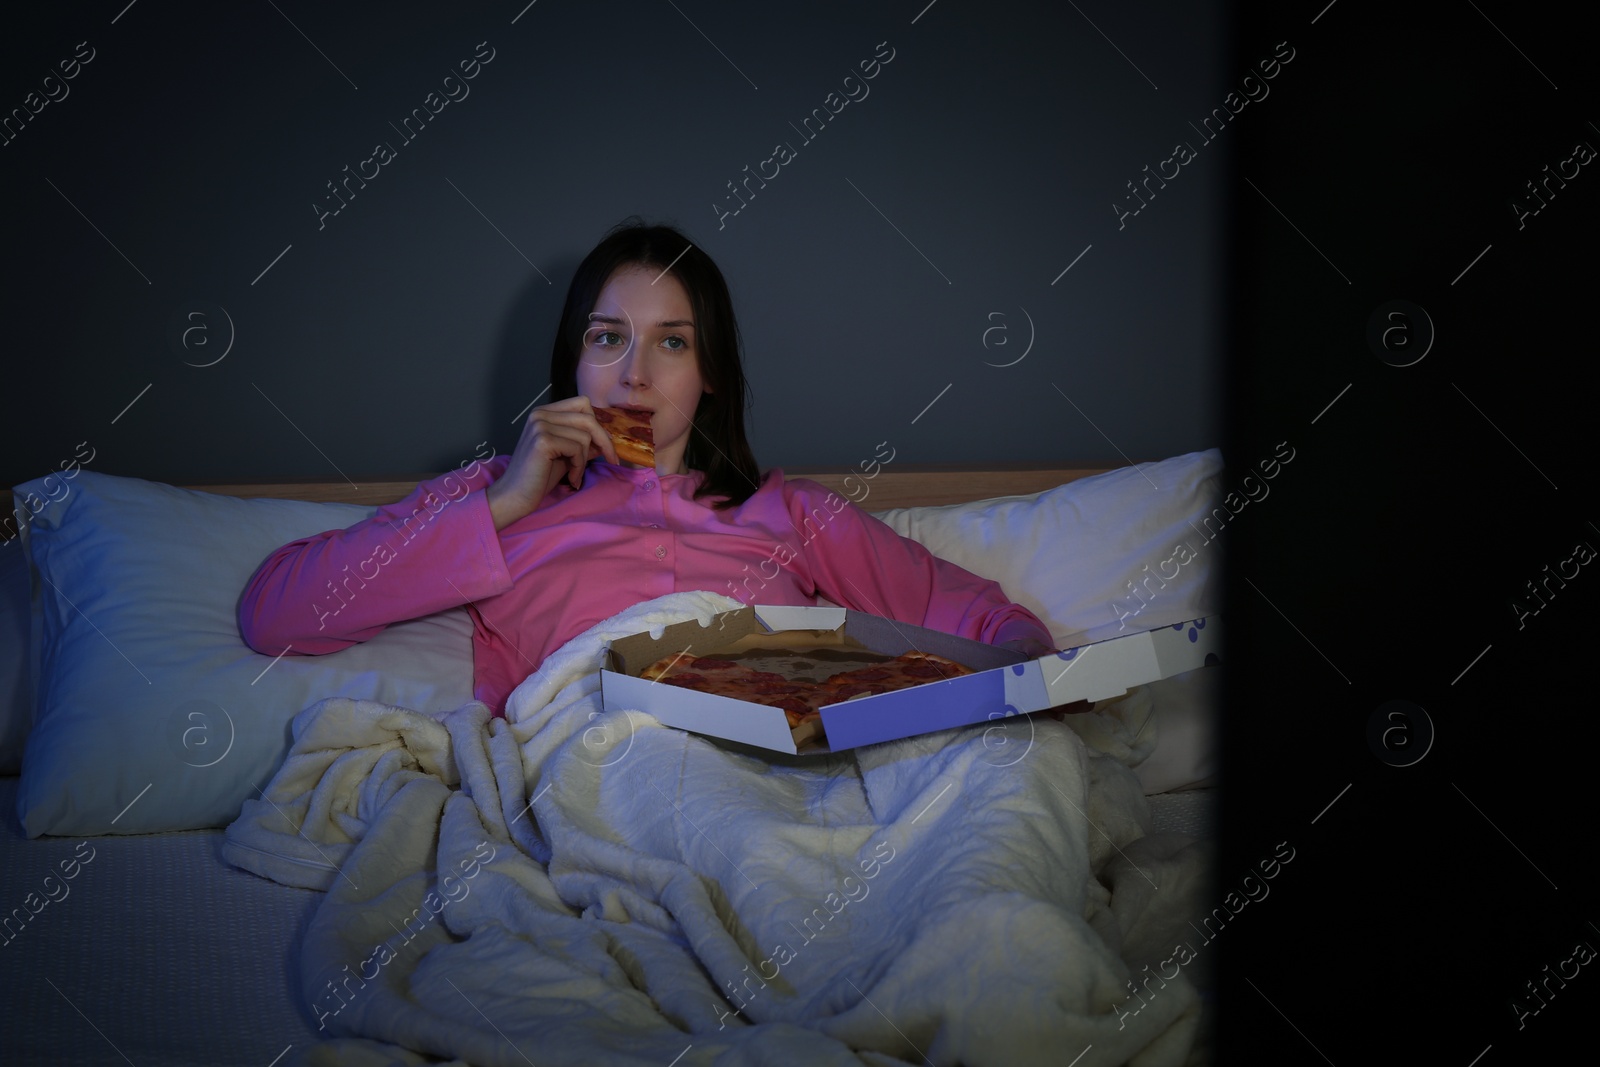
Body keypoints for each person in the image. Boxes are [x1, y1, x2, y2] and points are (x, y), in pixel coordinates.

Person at [238, 220, 1055, 716]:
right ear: (574, 366)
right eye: (606, 338)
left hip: (786, 774)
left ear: (710, 376)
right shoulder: (489, 494)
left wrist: (1009, 699)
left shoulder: (794, 514)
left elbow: (997, 631)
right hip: (595, 760)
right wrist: (506, 503)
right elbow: (278, 613)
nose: (635, 374)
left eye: (672, 341)